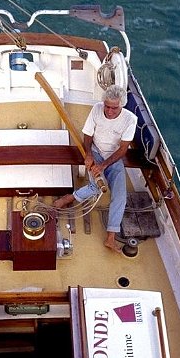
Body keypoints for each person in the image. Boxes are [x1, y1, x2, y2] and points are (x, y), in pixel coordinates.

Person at [54, 84, 137, 252]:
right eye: (107, 106)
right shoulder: (97, 109)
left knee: (121, 196)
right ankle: (67, 199)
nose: (109, 111)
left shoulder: (130, 119)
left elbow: (122, 149)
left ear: (121, 105)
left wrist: (103, 165)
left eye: (114, 108)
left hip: (114, 157)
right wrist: (89, 154)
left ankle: (111, 237)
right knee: (96, 187)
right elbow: (88, 135)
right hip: (96, 151)